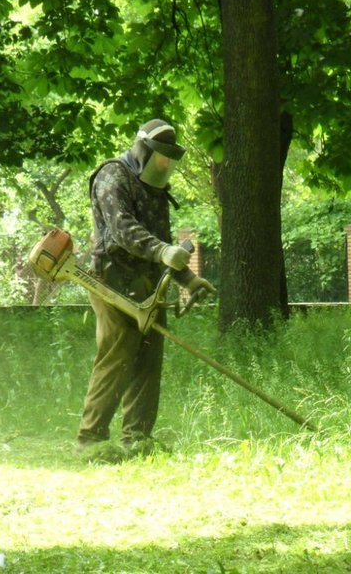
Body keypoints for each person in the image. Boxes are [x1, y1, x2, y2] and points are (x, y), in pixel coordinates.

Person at [76, 119, 215, 458]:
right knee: (118, 357)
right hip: (112, 282)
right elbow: (122, 229)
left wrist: (187, 279)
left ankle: (137, 439)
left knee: (148, 361)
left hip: (150, 286)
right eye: (160, 156)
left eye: (170, 158)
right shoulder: (113, 176)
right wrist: (163, 251)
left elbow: (163, 243)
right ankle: (90, 440)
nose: (164, 164)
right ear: (143, 150)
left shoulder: (156, 189)